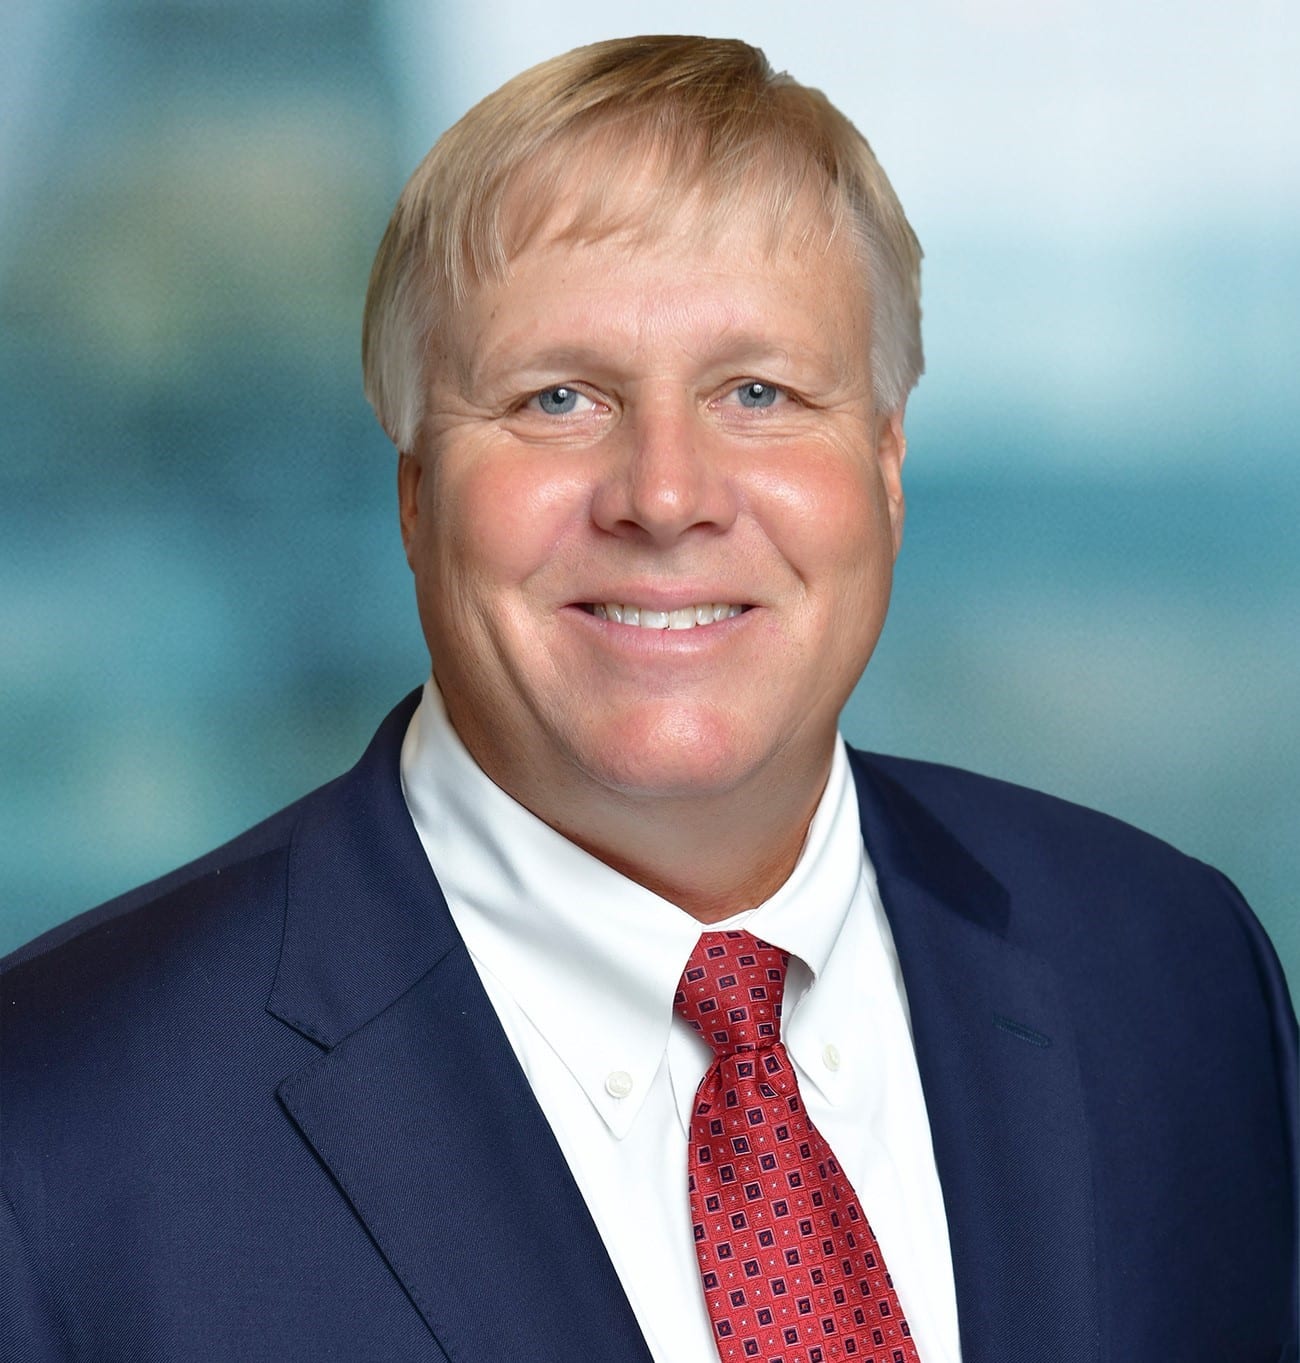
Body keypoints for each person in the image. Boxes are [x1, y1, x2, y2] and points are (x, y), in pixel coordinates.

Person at [2, 34, 1295, 1363]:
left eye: (759, 392)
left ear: (889, 465)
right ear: (412, 486)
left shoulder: (1177, 978)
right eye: (558, 398)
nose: (666, 496)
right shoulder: (51, 1127)